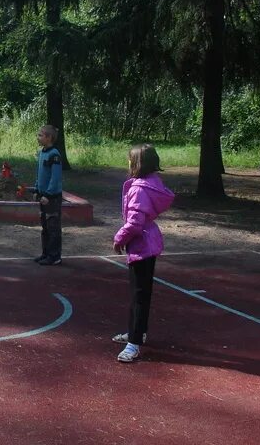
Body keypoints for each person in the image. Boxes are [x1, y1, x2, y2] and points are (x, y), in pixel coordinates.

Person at [112, 144, 174, 363]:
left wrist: (120, 237)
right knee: (141, 293)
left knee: (138, 295)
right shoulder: (151, 183)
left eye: (130, 159)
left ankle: (134, 343)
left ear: (137, 163)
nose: (128, 163)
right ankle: (137, 332)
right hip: (148, 243)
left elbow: (135, 223)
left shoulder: (139, 188)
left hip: (142, 245)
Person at [34, 125, 63, 266]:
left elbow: (55, 177)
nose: (38, 137)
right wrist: (37, 189)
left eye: (40, 135)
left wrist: (48, 194)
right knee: (45, 227)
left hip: (52, 198)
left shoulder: (54, 154)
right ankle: (45, 253)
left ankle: (54, 256)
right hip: (43, 195)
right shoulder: (42, 153)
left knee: (53, 227)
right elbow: (40, 174)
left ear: (49, 138)